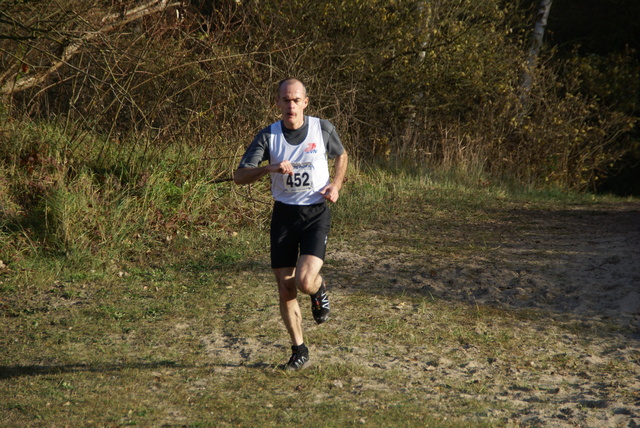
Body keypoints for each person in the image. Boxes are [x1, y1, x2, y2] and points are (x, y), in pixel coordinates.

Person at [233, 77, 348, 370]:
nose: (290, 105)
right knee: (286, 289)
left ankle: (319, 290)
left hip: (315, 214)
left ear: (305, 102)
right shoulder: (268, 136)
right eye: (285, 100)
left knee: (304, 281)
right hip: (284, 216)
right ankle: (299, 350)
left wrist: (336, 184)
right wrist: (269, 168)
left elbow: (342, 156)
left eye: (296, 100)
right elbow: (240, 175)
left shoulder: (321, 128)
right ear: (277, 103)